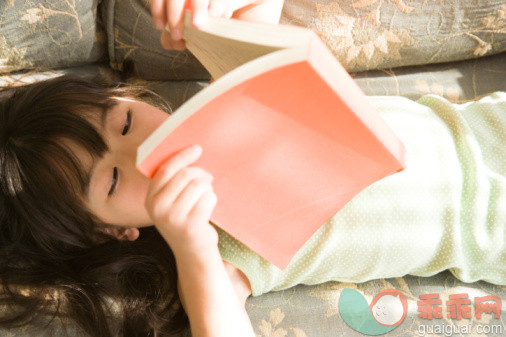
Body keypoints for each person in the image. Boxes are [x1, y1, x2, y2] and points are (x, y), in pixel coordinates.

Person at [0, 2, 504, 337]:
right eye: (112, 180)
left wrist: (207, 12)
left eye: (127, 122)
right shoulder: (221, 249)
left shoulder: (242, 97)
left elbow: (259, 21)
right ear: (112, 232)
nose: (143, 150)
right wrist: (191, 243)